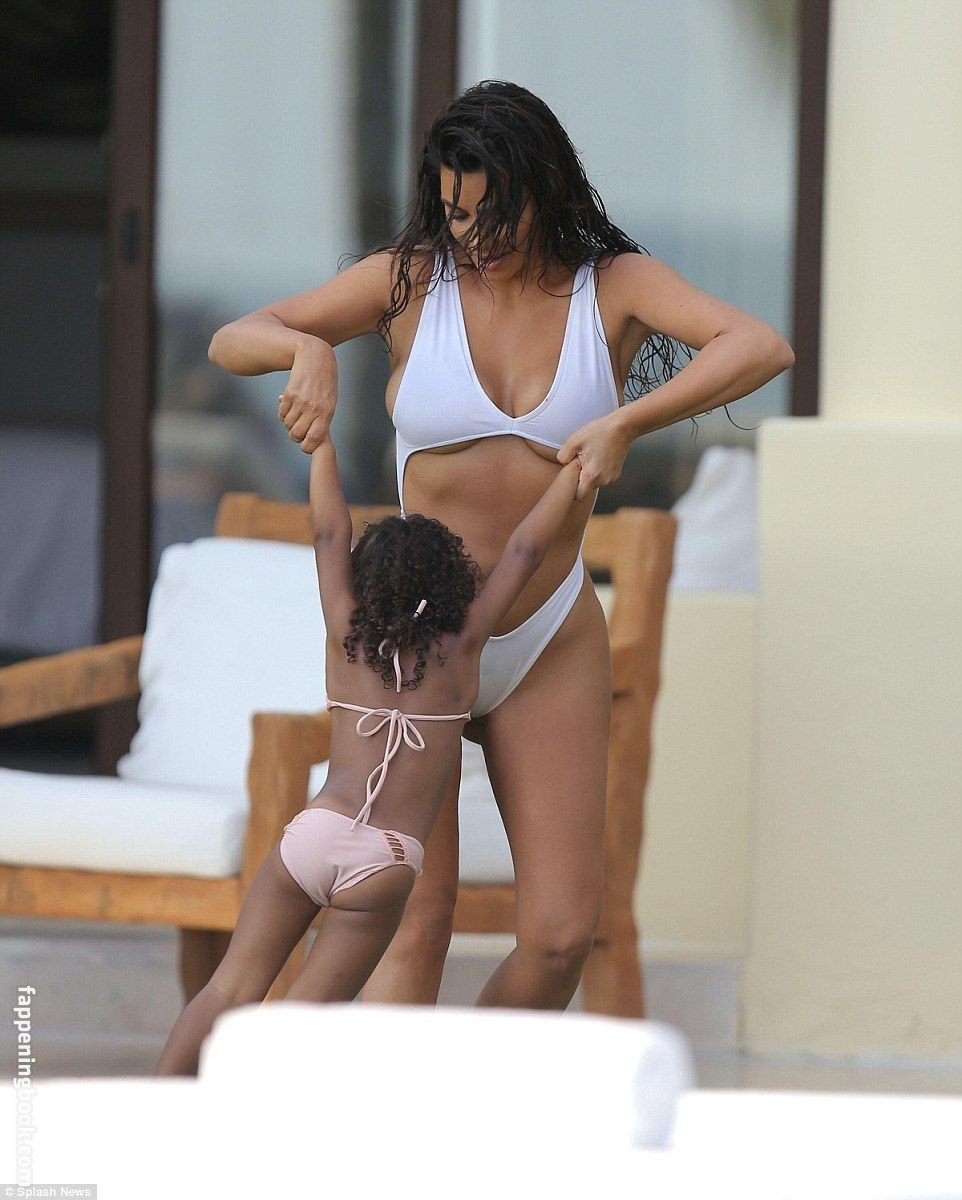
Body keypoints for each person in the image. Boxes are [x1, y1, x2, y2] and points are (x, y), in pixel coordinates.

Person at [207, 80, 795, 1012]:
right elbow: (236, 339)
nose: (472, 237)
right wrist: (306, 349)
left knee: (560, 939)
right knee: (413, 923)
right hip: (417, 638)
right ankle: (368, 1107)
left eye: (493, 215)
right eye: (454, 213)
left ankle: (467, 1093)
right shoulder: (410, 281)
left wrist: (628, 422)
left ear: (542, 191)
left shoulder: (613, 286)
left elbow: (759, 346)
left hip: (545, 633)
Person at [155, 436, 582, 1075]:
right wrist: (575, 475)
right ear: (453, 585)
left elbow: (329, 531)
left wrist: (322, 442)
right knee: (301, 1024)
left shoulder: (345, 636)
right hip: (383, 863)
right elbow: (524, 549)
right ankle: (253, 1122)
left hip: (315, 832)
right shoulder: (463, 649)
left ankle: (158, 1103)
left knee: (229, 988)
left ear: (366, 579)